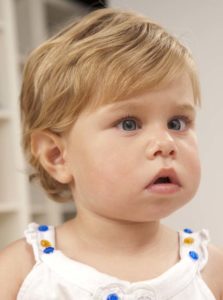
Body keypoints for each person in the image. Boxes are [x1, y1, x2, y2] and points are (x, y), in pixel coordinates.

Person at [0, 7, 222, 300]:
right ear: (57, 156)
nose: (165, 142)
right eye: (129, 124)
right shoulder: (21, 271)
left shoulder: (211, 272)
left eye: (177, 123)